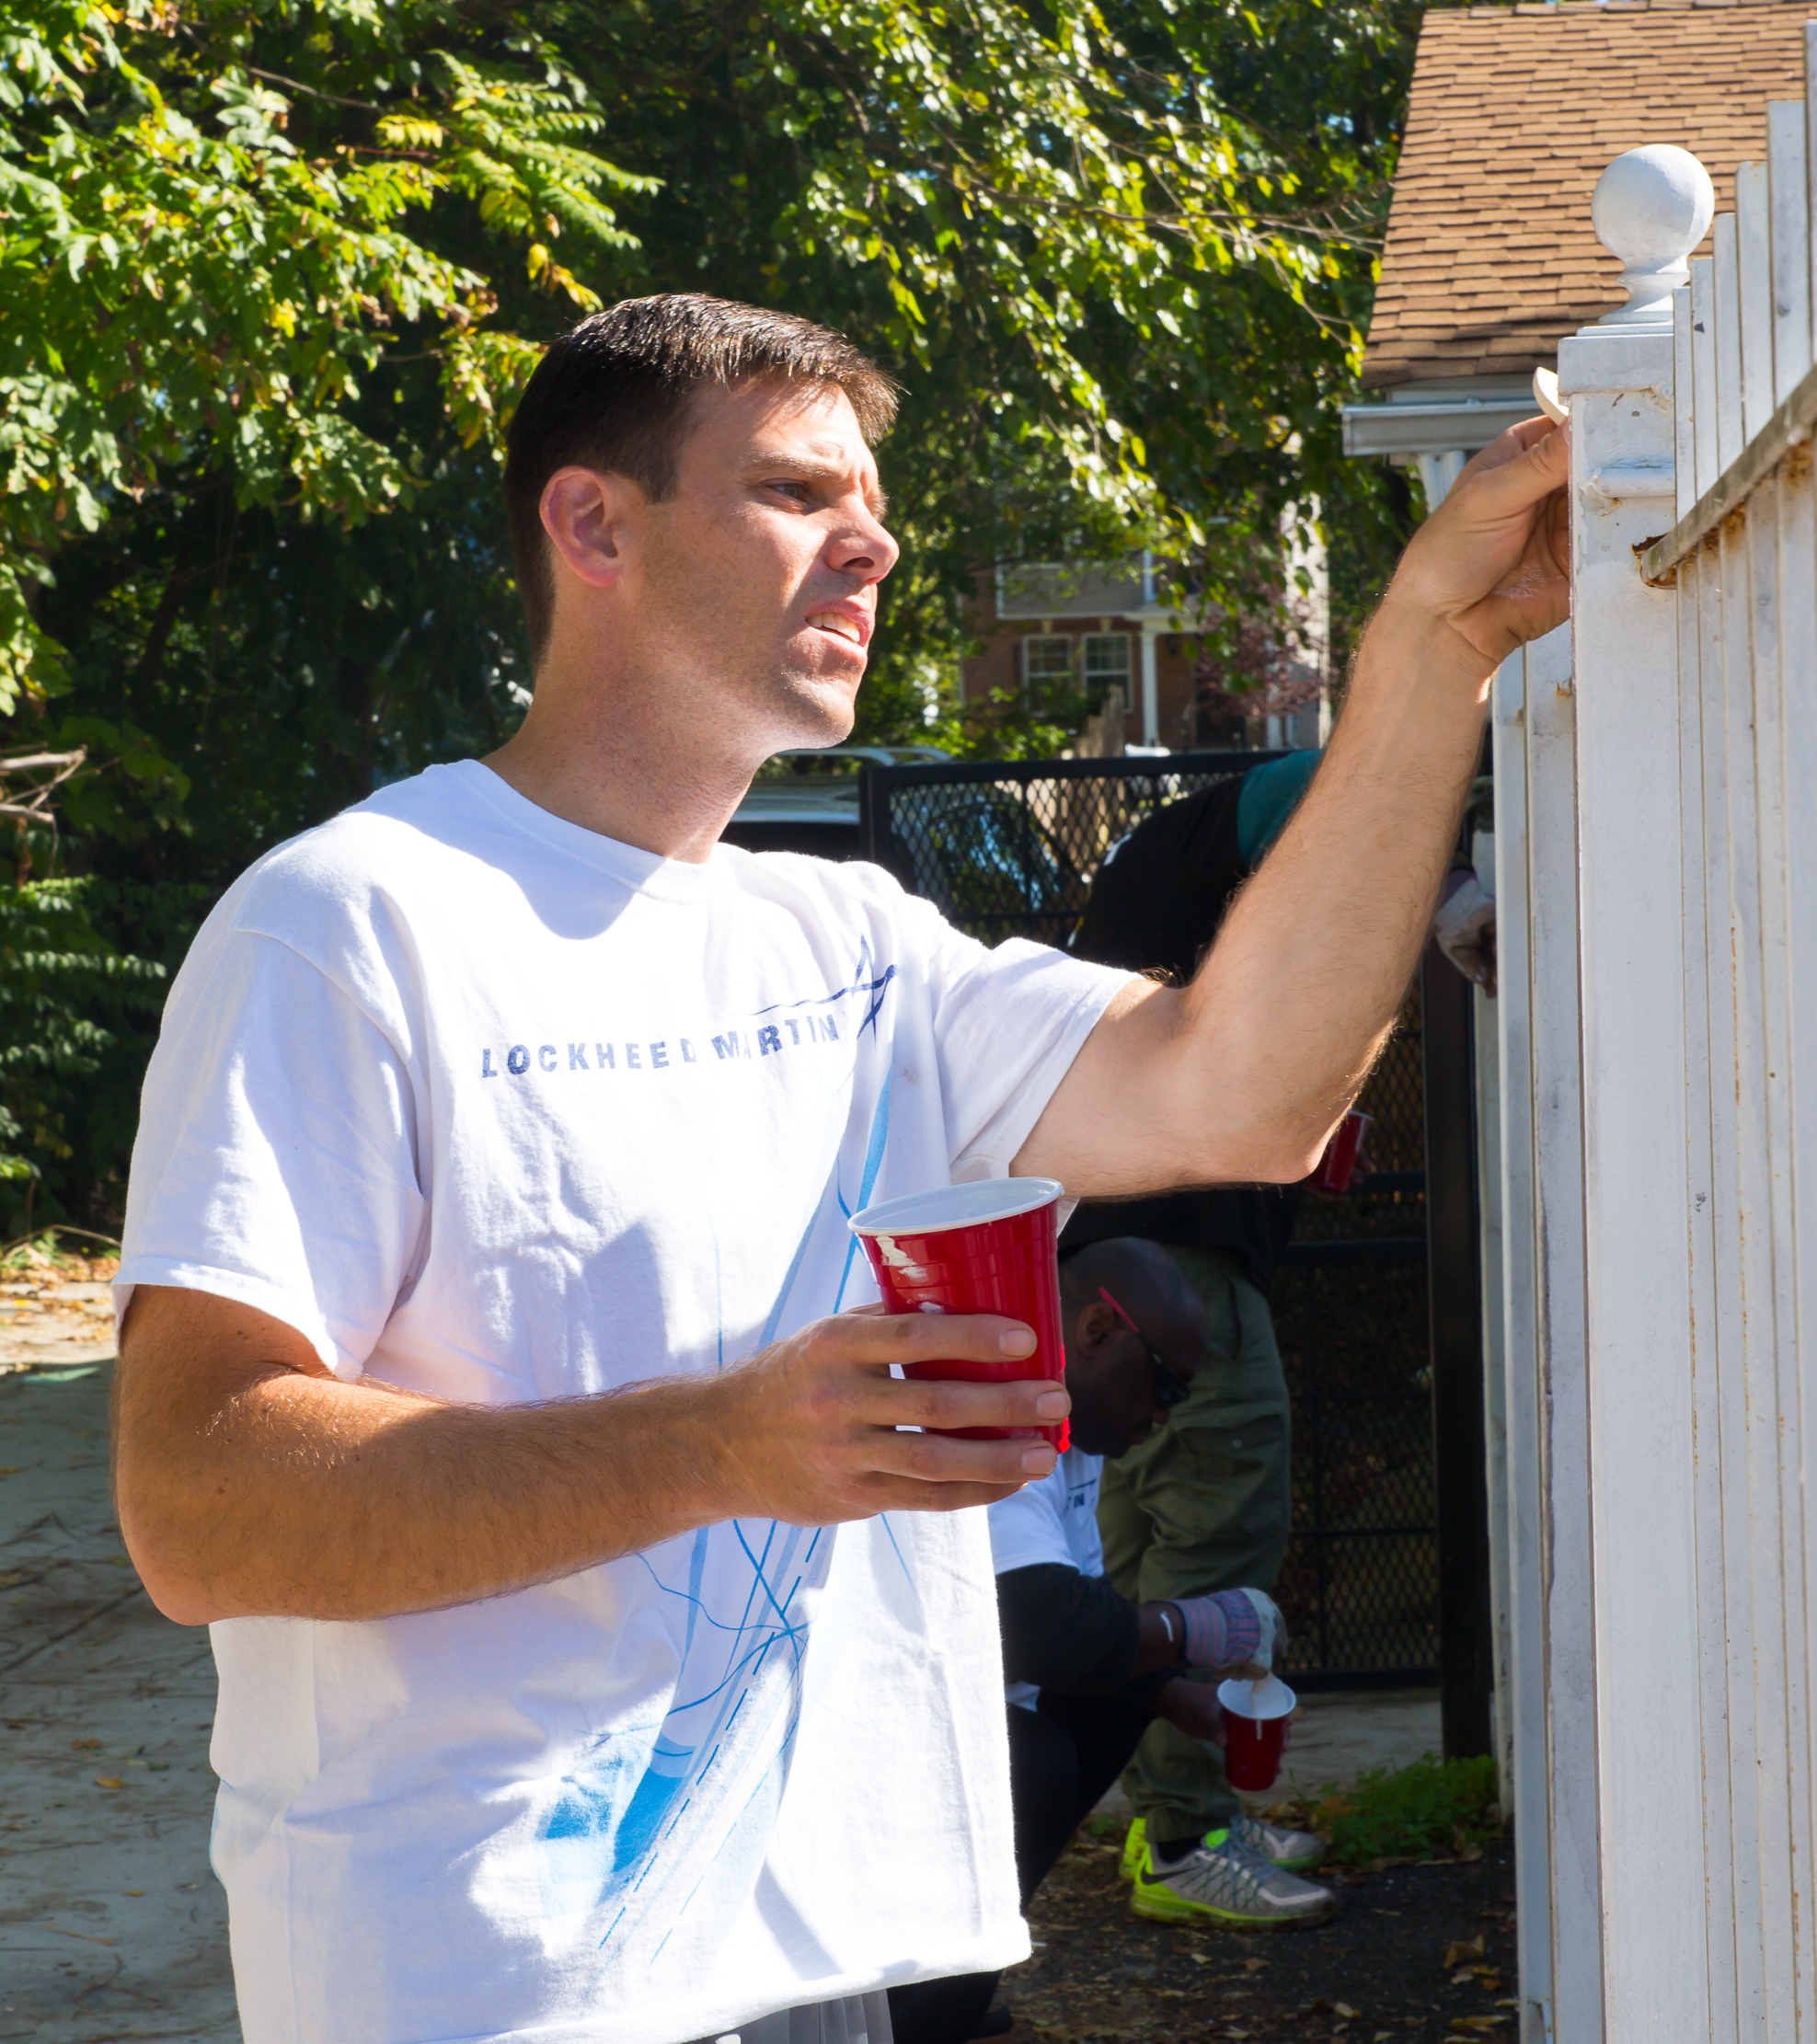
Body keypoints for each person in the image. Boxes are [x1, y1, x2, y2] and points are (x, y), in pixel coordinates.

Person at [109, 292, 1570, 2044]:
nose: (872, 540)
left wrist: (1435, 649)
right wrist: (725, 1443)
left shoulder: (851, 939)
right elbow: (198, 1496)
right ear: (594, 523)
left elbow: (1240, 1096)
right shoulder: (352, 922)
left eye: (871, 500)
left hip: (830, 1964)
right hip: (486, 1985)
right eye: (802, 491)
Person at [900, 1238, 1329, 2044]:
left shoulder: (1070, 1436)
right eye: (1163, 1383)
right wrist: (1192, 1625)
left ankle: (952, 1987)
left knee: (1101, 1710)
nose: (1163, 1415)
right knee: (1031, 1757)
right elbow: (1040, 1626)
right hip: (847, 1721)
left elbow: (1078, 1625)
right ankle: (915, 2011)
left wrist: (1174, 1695)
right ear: (1098, 1328)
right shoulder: (1000, 1406)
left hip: (932, 1697)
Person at [1059, 752, 1323, 1914]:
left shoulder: (1162, 872)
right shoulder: (1223, 835)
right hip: (1178, 1270)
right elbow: (1317, 784)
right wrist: (1449, 874)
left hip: (1140, 1244)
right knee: (1217, 1520)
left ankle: (1164, 1821)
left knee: (1143, 1538)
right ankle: (1183, 1840)